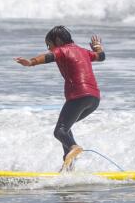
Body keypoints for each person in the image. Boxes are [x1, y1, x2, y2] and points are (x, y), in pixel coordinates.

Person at [14, 26, 106, 170]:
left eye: (49, 45)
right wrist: (97, 47)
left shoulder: (62, 50)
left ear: (57, 40)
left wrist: (31, 62)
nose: (49, 48)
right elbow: (101, 56)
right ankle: (68, 168)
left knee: (59, 131)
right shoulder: (84, 51)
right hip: (94, 98)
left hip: (78, 96)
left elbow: (48, 57)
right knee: (66, 128)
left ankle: (73, 147)